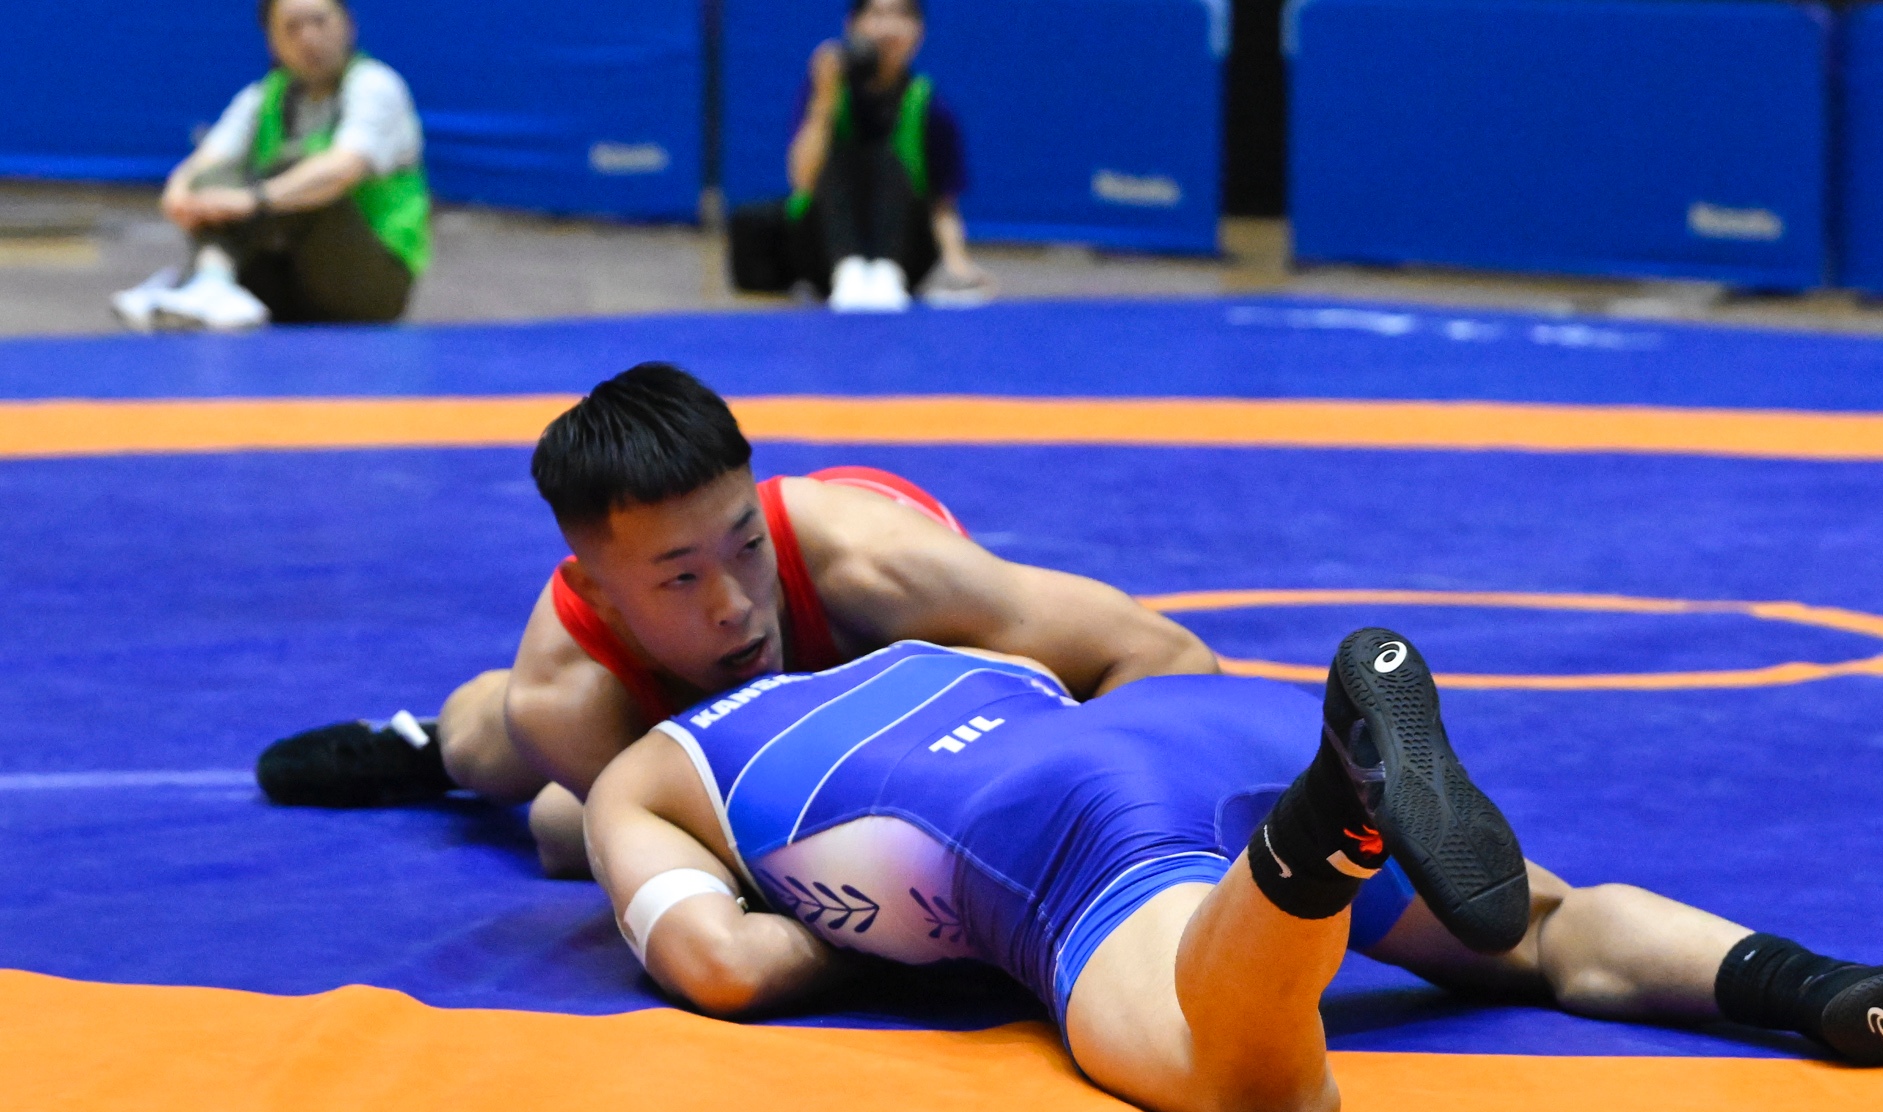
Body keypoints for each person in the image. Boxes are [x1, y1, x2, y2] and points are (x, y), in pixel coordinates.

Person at [581, 622, 1883, 1112]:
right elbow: (1156, 646)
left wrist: (875, 938)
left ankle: (1325, 829)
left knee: (1263, 1094)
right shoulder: (953, 647)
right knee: (1549, 931)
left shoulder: (653, 770)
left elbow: (724, 965)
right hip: (1195, 727)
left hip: (1062, 833)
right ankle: (1830, 990)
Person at [254, 363, 1218, 876]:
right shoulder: (566, 695)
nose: (735, 604)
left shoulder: (874, 565)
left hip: (904, 676)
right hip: (652, 717)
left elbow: (1167, 654)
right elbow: (756, 879)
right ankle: (430, 744)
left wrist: (1101, 828)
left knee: (575, 827)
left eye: (746, 544)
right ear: (600, 592)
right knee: (542, 802)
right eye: (680, 578)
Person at [112, 0, 429, 333]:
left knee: (300, 174)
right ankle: (207, 284)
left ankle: (202, 281)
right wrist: (181, 192)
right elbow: (207, 161)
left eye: (319, 22)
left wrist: (253, 200)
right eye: (292, 28)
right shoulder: (263, 96)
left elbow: (343, 169)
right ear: (272, 40)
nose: (308, 38)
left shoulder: (375, 85)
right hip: (292, 285)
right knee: (214, 182)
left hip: (369, 284)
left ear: (348, 25)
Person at [726, 0, 991, 310]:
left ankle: (886, 273)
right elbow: (802, 180)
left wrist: (957, 263)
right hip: (824, 249)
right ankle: (848, 271)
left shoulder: (930, 105)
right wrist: (825, 97)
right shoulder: (823, 90)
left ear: (919, 32)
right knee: (841, 159)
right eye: (877, 14)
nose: (888, 28)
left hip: (904, 253)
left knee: (887, 161)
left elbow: (942, 203)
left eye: (901, 15)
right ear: (852, 27)